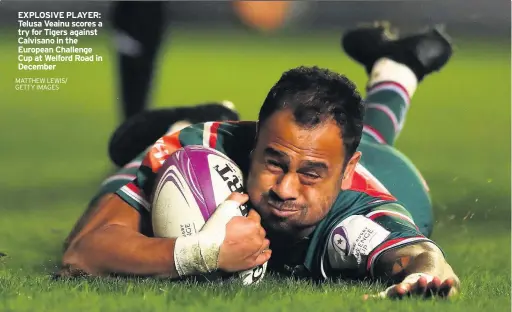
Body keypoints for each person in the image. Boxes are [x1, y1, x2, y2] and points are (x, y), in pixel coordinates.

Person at [59, 25, 460, 299]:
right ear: (253, 143)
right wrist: (199, 253)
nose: (285, 189)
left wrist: (423, 275)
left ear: (347, 173)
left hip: (394, 176)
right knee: (165, 157)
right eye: (273, 163)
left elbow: (419, 256)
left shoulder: (358, 219)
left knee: (370, 151)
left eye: (309, 175)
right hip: (239, 141)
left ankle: (398, 66)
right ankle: (184, 123)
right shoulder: (207, 146)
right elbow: (82, 252)